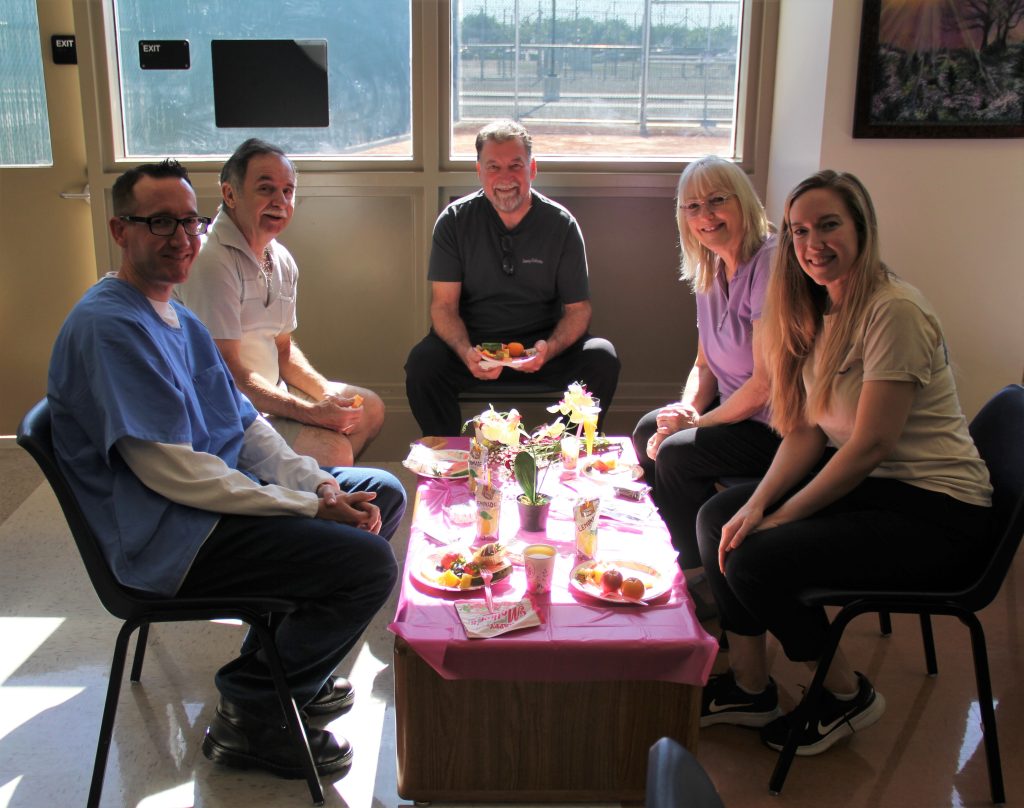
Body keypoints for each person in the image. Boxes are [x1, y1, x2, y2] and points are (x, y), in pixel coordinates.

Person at [48, 159, 406, 780]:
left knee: (383, 492)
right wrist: (308, 506)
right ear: (118, 229)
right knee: (367, 564)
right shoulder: (109, 327)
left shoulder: (174, 315)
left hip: (204, 507)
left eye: (190, 221)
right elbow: (172, 472)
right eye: (160, 222)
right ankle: (255, 711)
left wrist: (319, 483)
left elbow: (242, 428)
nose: (182, 238)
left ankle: (280, 666)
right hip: (170, 536)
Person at [695, 170, 993, 756]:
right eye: (800, 230)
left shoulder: (894, 311)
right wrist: (757, 503)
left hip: (938, 512)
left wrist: (781, 520)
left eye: (829, 225)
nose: (812, 243)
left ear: (862, 228)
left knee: (757, 557)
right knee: (718, 520)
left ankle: (845, 693)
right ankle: (751, 686)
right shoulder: (821, 309)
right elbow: (805, 431)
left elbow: (869, 446)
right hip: (879, 491)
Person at [404, 119, 620, 436]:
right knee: (423, 363)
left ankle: (559, 450)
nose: (505, 178)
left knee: (602, 357)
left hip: (541, 350)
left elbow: (579, 310)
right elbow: (443, 307)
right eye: (494, 167)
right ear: (479, 170)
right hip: (474, 350)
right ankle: (450, 461)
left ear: (531, 168)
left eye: (515, 166)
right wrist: (467, 353)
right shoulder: (454, 221)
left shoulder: (561, 224)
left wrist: (550, 348)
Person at [175, 138, 383, 467]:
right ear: (229, 194)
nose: (280, 202)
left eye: (288, 191)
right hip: (230, 410)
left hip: (272, 393)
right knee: (334, 451)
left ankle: (301, 481)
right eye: (266, 189)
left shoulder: (281, 258)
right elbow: (227, 373)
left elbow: (283, 350)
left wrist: (325, 394)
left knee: (368, 409)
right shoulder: (211, 260)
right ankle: (284, 486)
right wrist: (312, 413)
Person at [631, 156, 780, 611]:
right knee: (648, 430)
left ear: (745, 203)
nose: (705, 215)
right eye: (692, 206)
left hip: (779, 429)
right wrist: (687, 410)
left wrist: (698, 426)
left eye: (717, 201)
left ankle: (698, 580)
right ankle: (677, 550)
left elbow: (766, 384)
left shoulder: (770, 263)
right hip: (735, 414)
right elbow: (704, 364)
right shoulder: (711, 269)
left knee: (677, 451)